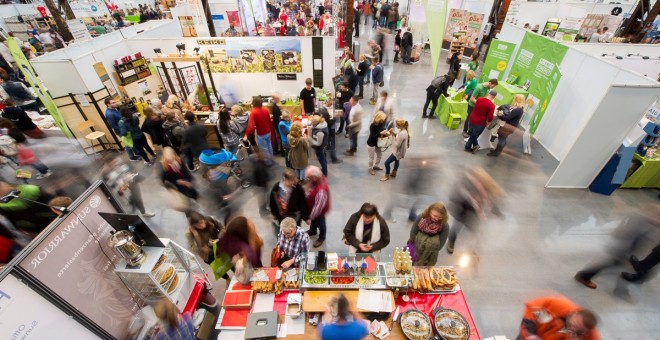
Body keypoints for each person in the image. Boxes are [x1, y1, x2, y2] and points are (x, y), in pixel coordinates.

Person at [574, 211, 660, 289]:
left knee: (619, 261)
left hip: (635, 238)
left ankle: (585, 275)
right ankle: (584, 275)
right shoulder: (643, 220)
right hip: (631, 239)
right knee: (615, 261)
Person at [446, 168, 503, 254]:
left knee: (477, 232)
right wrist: (472, 203)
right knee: (456, 229)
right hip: (462, 211)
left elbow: (489, 200)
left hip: (473, 214)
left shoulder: (482, 189)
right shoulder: (465, 186)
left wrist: (497, 213)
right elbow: (462, 194)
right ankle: (451, 244)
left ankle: (474, 251)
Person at [518, 296, 599, 340]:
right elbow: (531, 311)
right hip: (535, 323)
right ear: (575, 314)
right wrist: (530, 334)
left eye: (579, 329)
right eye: (575, 324)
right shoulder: (558, 305)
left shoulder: (590, 332)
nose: (573, 329)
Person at [305, 165, 331, 248]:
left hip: (319, 212)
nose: (308, 180)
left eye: (310, 178)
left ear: (314, 177)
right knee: (314, 222)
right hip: (312, 208)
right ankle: (313, 230)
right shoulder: (317, 179)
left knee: (321, 224)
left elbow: (318, 207)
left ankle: (321, 238)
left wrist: (310, 217)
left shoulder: (321, 190)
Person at [244, 96, 273, 166]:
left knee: (264, 148)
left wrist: (246, 135)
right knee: (269, 145)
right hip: (268, 131)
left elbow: (250, 126)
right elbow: (269, 121)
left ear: (253, 103)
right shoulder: (266, 110)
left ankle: (268, 162)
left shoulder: (253, 112)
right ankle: (270, 159)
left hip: (261, 133)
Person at [366, 111, 389, 176]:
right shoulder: (372, 125)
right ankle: (370, 168)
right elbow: (373, 136)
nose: (384, 119)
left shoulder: (381, 123)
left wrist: (386, 132)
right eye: (383, 118)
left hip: (377, 143)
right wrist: (381, 133)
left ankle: (375, 166)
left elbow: (382, 129)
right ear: (379, 117)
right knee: (371, 157)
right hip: (371, 143)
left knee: (379, 155)